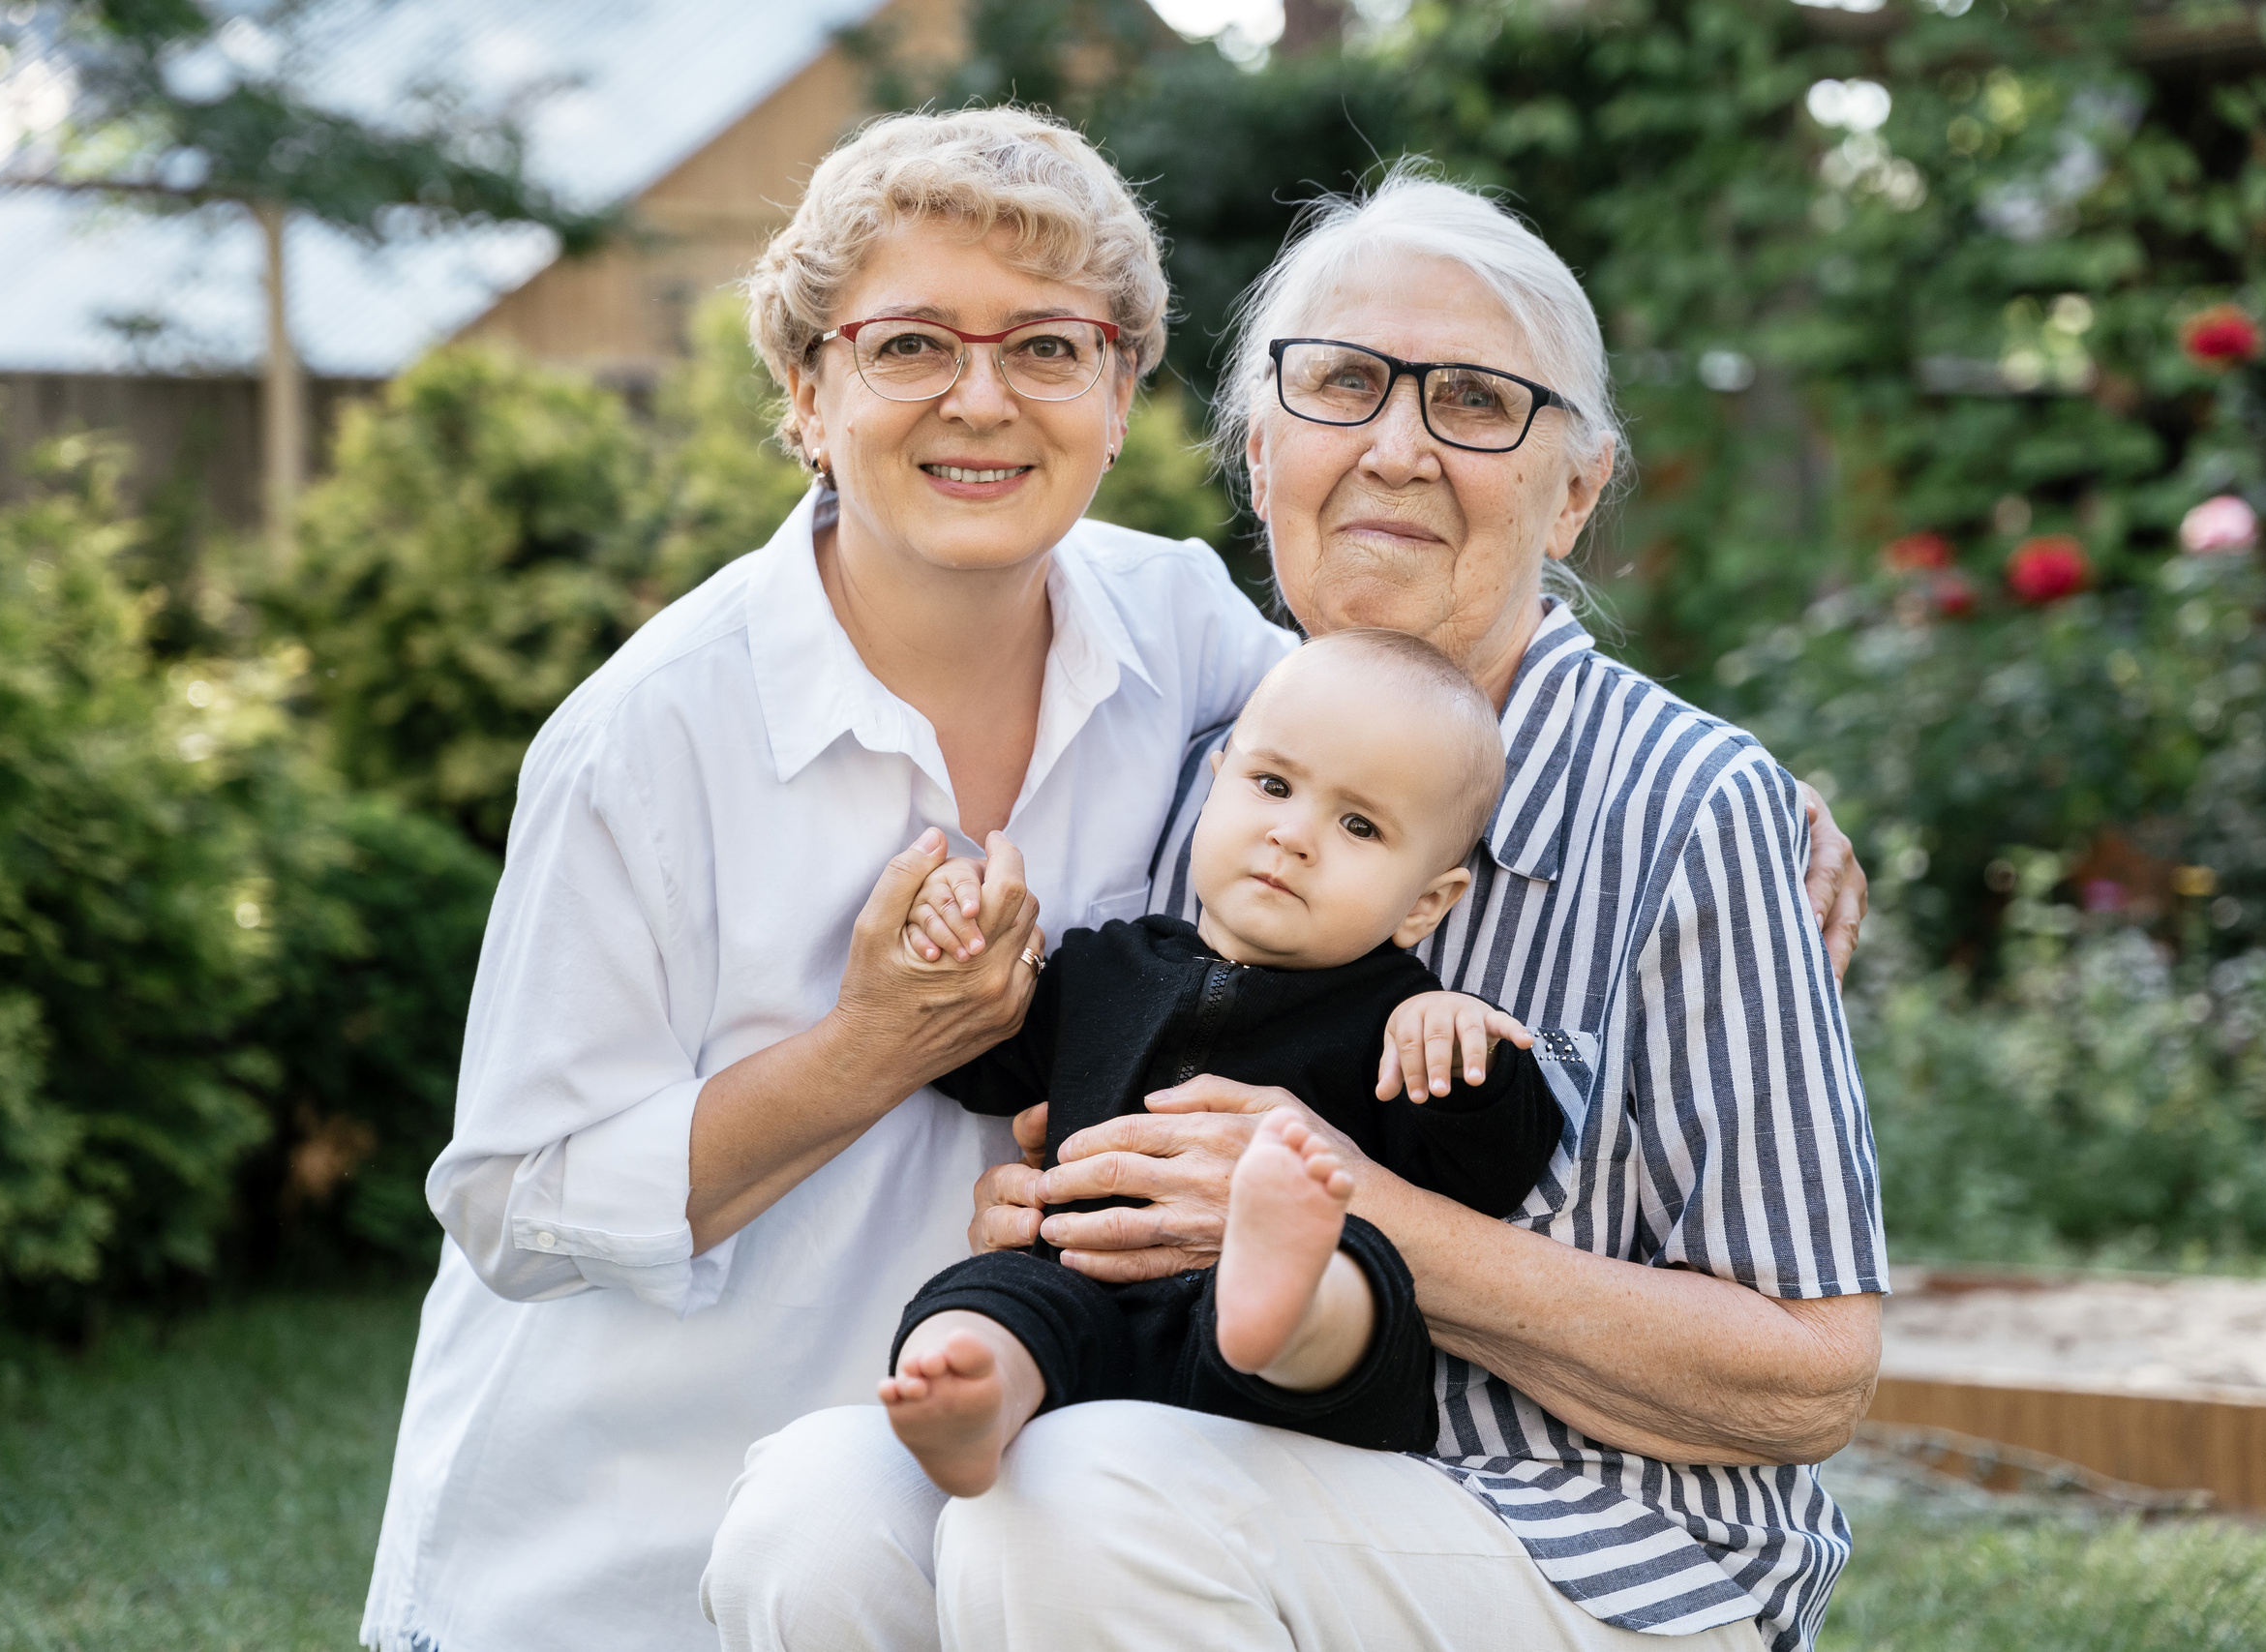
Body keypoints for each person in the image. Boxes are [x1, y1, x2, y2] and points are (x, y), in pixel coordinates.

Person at [706, 168, 1887, 1652]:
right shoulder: (1206, 760)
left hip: (1594, 1531)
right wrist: (1064, 1204)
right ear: (1261, 453)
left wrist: (1360, 1213)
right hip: (1201, 1425)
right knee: (814, 1503)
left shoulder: (1690, 805)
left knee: (1086, 1492)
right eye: (1341, 385)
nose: (1395, 446)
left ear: (1574, 492)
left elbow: (1809, 1376)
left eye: (1473, 400)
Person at [358, 108, 1303, 1652]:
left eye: (1049, 348)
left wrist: (1724, 794)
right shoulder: (645, 738)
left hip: (980, 1536)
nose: (982, 400)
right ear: (808, 392)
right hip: (615, 1564)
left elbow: (1415, 742)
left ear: (1123, 389)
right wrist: (873, 1050)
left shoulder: (1181, 626)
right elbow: (516, 1203)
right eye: (911, 343)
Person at [880, 629, 1558, 1494]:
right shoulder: (1100, 968)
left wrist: (1467, 1049)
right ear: (1216, 786)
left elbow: (1485, 1171)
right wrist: (952, 935)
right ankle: (974, 1394)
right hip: (1083, 1296)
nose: (1293, 835)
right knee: (993, 1288)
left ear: (1426, 902)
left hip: (1283, 1400)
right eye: (1272, 785)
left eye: (1359, 824)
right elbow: (972, 1056)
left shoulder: (1396, 1017)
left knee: (1360, 1272)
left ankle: (1282, 1297)